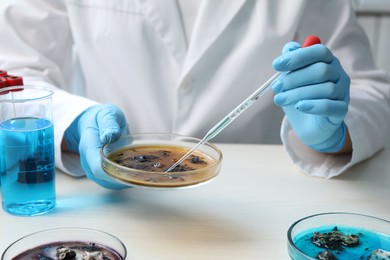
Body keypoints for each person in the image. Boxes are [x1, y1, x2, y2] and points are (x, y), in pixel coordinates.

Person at [0, 0, 389, 189]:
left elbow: (374, 91)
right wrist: (73, 122)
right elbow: (14, 74)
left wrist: (335, 133)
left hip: (256, 199)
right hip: (113, 199)